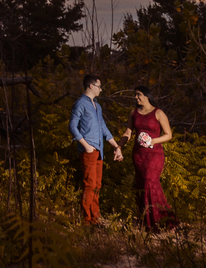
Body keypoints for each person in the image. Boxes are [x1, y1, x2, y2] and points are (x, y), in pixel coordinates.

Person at [121, 85, 178, 231]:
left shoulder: (158, 113)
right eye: (135, 95)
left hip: (154, 155)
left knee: (150, 183)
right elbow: (128, 132)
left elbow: (168, 135)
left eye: (139, 94)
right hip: (138, 154)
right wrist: (119, 147)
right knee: (140, 185)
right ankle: (145, 220)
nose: (136, 98)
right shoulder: (133, 113)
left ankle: (162, 220)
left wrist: (152, 141)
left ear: (147, 96)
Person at [69, 74, 123, 226]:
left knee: (97, 185)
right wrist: (85, 145)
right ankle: (86, 221)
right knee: (90, 185)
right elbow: (72, 126)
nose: (101, 89)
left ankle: (95, 218)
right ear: (91, 86)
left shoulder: (97, 106)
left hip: (100, 151)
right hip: (89, 151)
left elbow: (103, 128)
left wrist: (116, 146)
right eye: (99, 86)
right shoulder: (80, 103)